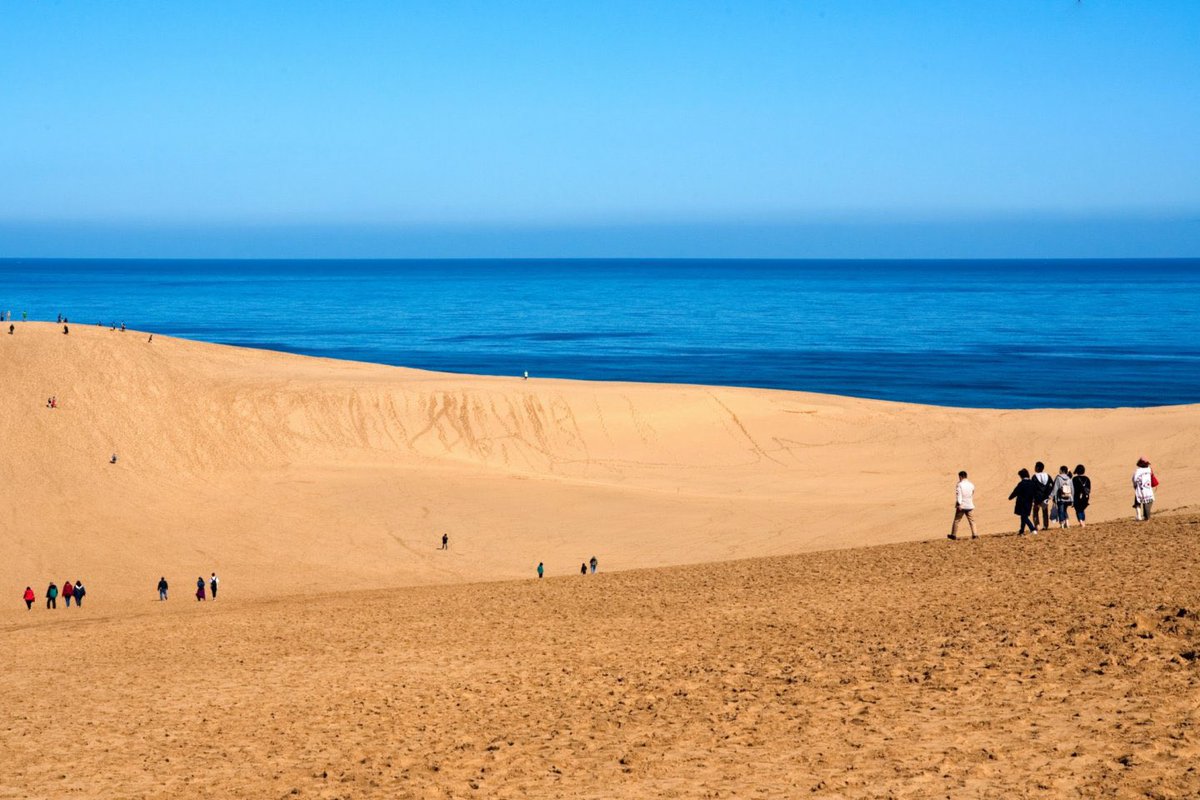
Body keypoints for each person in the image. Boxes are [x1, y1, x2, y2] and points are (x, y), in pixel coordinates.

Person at [948, 470, 977, 540]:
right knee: (972, 521)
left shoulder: (959, 484)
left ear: (960, 477)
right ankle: (975, 534)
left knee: (957, 520)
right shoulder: (971, 484)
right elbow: (972, 493)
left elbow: (959, 495)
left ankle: (953, 535)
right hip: (970, 505)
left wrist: (959, 504)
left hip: (962, 505)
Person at [1009, 468, 1039, 536]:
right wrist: (1036, 501)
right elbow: (1035, 493)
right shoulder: (1032, 483)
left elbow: (1016, 491)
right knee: (1023, 517)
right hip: (1029, 503)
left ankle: (1033, 529)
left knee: (1024, 517)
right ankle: (1021, 531)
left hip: (1021, 503)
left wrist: (1010, 497)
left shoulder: (1022, 483)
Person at [1031, 462, 1052, 531]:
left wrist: (1032, 498)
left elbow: (1032, 488)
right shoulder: (1047, 476)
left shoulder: (1034, 477)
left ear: (1037, 468)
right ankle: (1045, 526)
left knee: (1035, 512)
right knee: (1045, 512)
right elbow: (1052, 485)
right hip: (1045, 497)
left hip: (1037, 497)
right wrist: (1049, 494)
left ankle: (1037, 526)